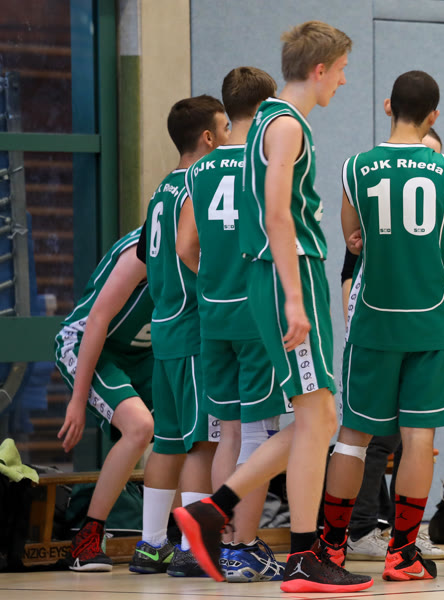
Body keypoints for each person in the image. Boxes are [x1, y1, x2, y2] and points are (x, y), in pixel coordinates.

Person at [173, 21, 374, 594]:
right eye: (341, 70)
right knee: (319, 417)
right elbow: (277, 213)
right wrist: (293, 296)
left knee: (316, 421)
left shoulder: (265, 120)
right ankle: (250, 527)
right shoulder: (285, 124)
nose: (343, 81)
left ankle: (281, 543)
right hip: (290, 273)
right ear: (319, 69)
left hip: (269, 276)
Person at [321, 69, 444, 582]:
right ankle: (403, 553)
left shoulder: (355, 166)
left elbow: (352, 236)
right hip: (430, 319)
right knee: (418, 437)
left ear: (388, 106)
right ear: (434, 115)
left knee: (353, 438)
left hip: (374, 320)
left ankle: (331, 550)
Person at [176, 66, 287, 583]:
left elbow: (186, 246)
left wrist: (214, 278)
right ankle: (243, 546)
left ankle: (223, 545)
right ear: (264, 109)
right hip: (254, 312)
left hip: (213, 311)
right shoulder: (263, 161)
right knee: (262, 434)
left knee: (228, 434)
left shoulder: (198, 170)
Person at [339, 127, 444, 564]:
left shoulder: (361, 170)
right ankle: (374, 536)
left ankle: (352, 541)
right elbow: (350, 265)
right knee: (385, 440)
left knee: (379, 439)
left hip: (404, 324)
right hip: (400, 325)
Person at [134, 95, 227, 577]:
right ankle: (192, 549)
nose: (230, 136)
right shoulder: (199, 183)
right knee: (202, 444)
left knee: (168, 442)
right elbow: (189, 248)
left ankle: (151, 545)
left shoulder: (161, 190)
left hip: (165, 329)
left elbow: (146, 257)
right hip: (193, 329)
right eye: (225, 129)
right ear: (208, 137)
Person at [55, 228, 154, 572]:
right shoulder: (145, 247)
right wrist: (77, 401)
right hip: (91, 345)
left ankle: (161, 541)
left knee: (180, 433)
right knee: (139, 428)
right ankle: (87, 538)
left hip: (145, 354)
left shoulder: (207, 244)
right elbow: (97, 319)